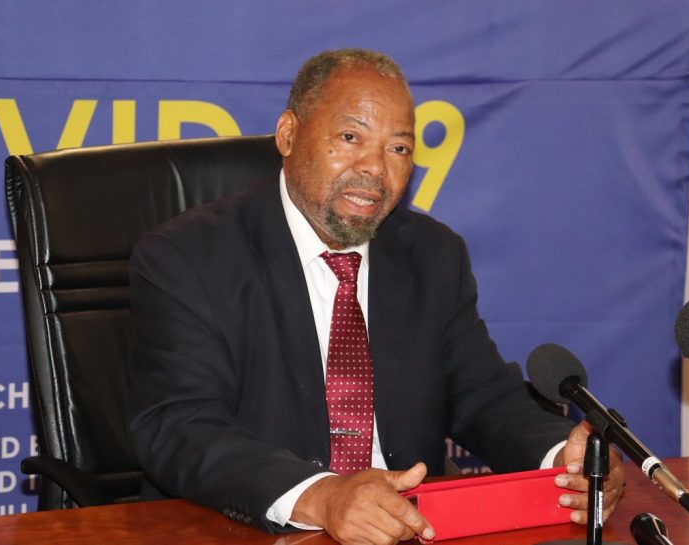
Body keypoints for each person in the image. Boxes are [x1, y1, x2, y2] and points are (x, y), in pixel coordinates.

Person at [127, 48, 624, 545]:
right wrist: (322, 495)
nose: (375, 169)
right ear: (288, 134)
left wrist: (564, 458)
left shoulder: (432, 255)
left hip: (409, 529)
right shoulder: (188, 257)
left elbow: (483, 396)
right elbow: (180, 425)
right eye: (350, 138)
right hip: (249, 529)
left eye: (398, 148)